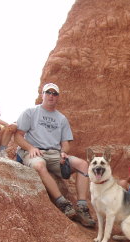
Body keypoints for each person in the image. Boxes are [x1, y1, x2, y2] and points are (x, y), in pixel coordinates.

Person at [14, 83, 95, 227]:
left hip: (54, 153)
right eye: (48, 92)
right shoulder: (30, 112)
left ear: (58, 97)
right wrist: (30, 147)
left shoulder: (61, 119)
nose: (51, 96)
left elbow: (65, 142)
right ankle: (63, 203)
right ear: (42, 94)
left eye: (55, 93)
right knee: (39, 164)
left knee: (83, 164)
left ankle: (82, 206)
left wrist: (64, 152)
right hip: (34, 151)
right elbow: (18, 136)